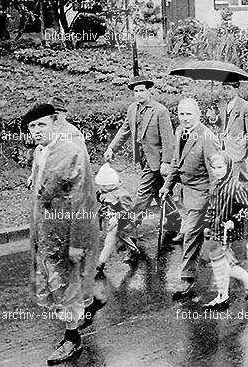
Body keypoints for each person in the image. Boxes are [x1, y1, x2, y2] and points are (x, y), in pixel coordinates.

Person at [23, 103, 98, 365]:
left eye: (41, 124)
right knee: (62, 283)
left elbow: (83, 200)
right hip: (46, 230)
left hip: (67, 231)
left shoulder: (71, 151)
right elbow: (41, 190)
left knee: (65, 287)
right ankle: (91, 301)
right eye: (31, 126)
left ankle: (72, 339)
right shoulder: (41, 150)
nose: (35, 130)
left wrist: (77, 242)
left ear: (56, 122)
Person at [159, 98, 220, 299]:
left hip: (203, 193)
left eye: (189, 114)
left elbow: (215, 172)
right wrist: (167, 185)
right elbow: (176, 162)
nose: (184, 118)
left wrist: (214, 200)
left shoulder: (206, 136)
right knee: (207, 238)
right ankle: (241, 273)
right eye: (181, 114)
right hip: (187, 192)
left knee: (191, 234)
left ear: (198, 115)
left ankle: (187, 279)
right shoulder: (179, 132)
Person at [104, 76, 175, 235]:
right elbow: (124, 130)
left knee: (143, 191)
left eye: (141, 90)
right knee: (158, 191)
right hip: (142, 158)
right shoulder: (132, 109)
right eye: (135, 91)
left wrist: (166, 162)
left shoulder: (160, 111)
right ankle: (175, 220)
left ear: (149, 91)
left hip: (156, 159)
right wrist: (111, 149)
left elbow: (168, 139)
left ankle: (131, 223)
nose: (138, 94)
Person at [199, 152, 248, 310]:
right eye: (214, 168)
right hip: (216, 229)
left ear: (228, 167)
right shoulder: (216, 186)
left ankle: (224, 295)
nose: (217, 171)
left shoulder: (235, 187)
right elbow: (211, 208)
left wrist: (234, 220)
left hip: (229, 231)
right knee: (221, 262)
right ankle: (246, 281)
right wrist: (207, 225)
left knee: (218, 261)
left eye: (221, 167)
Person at [94, 163, 141, 275]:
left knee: (111, 241)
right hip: (111, 219)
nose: (101, 188)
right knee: (121, 237)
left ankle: (101, 263)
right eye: (101, 186)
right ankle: (134, 250)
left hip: (120, 221)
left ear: (111, 184)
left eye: (104, 186)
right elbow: (103, 202)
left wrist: (117, 218)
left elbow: (127, 210)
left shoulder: (121, 195)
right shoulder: (104, 192)